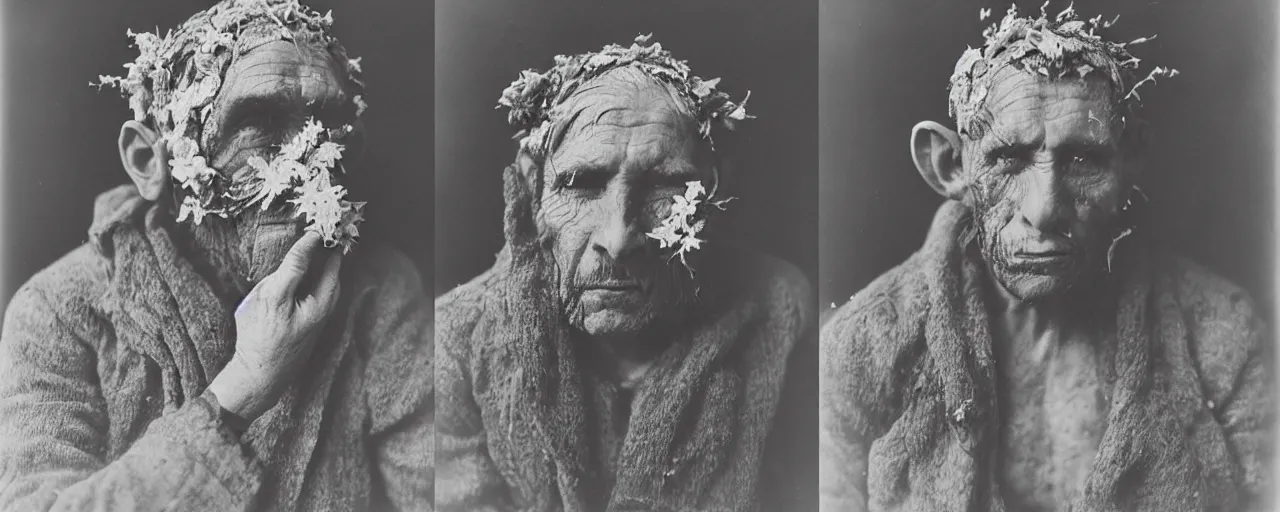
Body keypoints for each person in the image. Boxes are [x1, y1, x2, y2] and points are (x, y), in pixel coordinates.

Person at [820, 5, 1272, 511]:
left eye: (1083, 160)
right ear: (950, 165)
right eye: (1007, 160)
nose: (1045, 210)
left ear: (1129, 160)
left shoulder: (1223, 338)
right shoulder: (860, 348)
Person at [0, 1, 433, 510]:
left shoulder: (380, 292)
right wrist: (246, 383)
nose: (308, 169)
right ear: (149, 161)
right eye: (259, 124)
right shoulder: (58, 310)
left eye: (326, 129)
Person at [435, 35, 817, 511]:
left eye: (664, 186)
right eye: (581, 185)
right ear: (533, 190)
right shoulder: (454, 342)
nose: (617, 240)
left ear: (714, 193)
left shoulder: (780, 313)